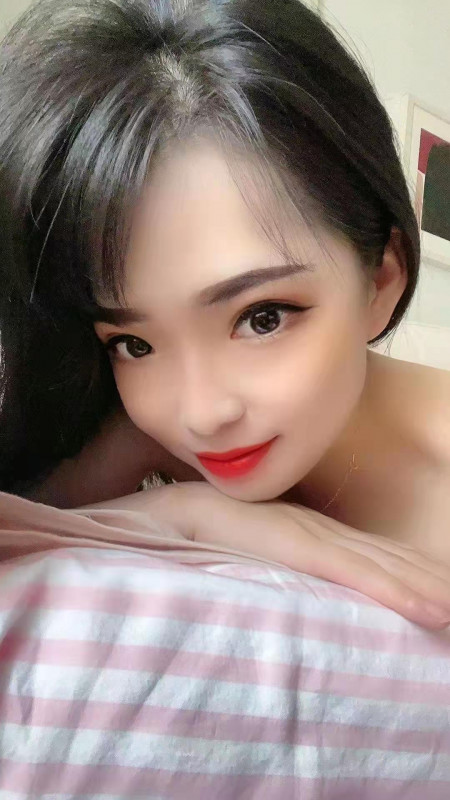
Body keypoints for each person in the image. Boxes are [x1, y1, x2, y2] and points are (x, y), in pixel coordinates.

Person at [0, 0, 449, 626]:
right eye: (133, 343)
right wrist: (187, 514)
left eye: (263, 317)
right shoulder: (143, 436)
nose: (202, 414)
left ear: (381, 279)